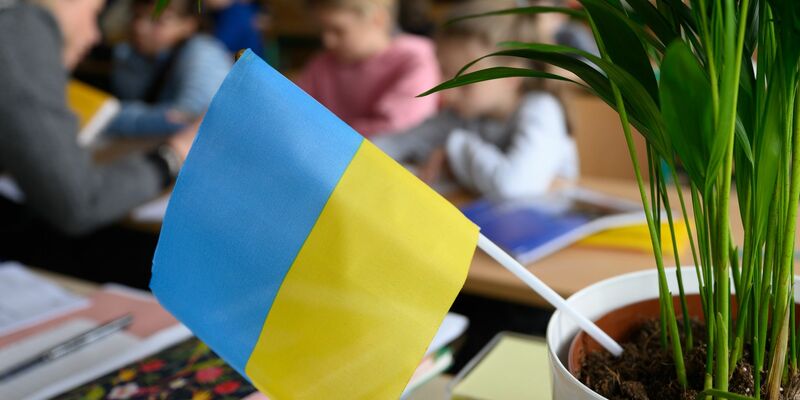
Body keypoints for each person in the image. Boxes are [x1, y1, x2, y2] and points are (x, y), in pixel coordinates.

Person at [0, 0, 196, 287]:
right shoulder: (20, 27)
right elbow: (78, 201)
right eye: (95, 13)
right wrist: (173, 154)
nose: (95, 35)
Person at [374, 0, 578, 200]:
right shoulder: (463, 112)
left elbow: (514, 187)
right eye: (443, 72)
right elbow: (397, 143)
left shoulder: (542, 109)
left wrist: (455, 148)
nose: (447, 93)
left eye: (464, 82)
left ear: (510, 75)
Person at [296, 0, 440, 138]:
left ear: (378, 19)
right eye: (321, 31)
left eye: (338, 31)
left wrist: (325, 135)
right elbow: (295, 112)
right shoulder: (322, 63)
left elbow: (398, 129)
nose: (327, 41)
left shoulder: (415, 57)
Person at [105, 0, 231, 137]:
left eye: (158, 21)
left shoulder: (203, 53)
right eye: (137, 16)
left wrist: (111, 116)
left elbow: (189, 118)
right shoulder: (131, 55)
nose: (140, 28)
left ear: (188, 25)